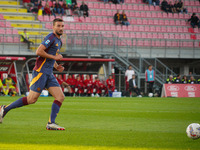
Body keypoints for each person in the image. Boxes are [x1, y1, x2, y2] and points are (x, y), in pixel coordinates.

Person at [0, 18, 65, 130]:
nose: (60, 28)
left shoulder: (59, 41)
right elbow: (39, 51)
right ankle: (4, 109)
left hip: (49, 73)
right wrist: (55, 57)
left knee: (60, 97)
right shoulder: (51, 37)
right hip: (41, 72)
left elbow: (49, 56)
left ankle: (50, 123)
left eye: (62, 26)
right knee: (31, 100)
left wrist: (56, 66)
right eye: (58, 26)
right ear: (53, 27)